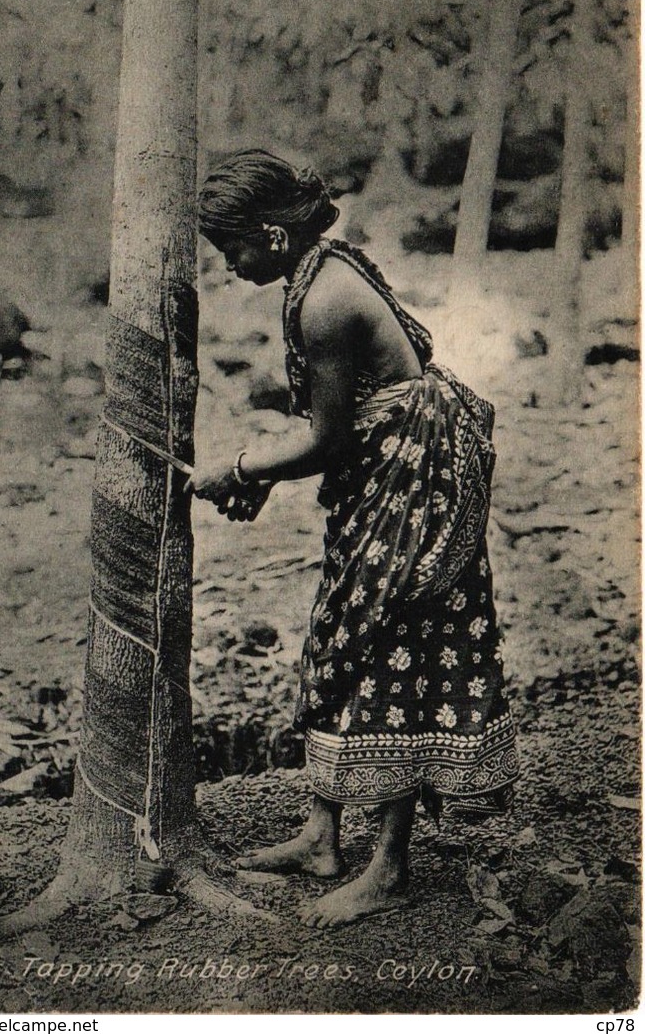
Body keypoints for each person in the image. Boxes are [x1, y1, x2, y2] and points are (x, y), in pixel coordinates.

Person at [187, 149, 519, 928]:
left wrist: (238, 467)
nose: (229, 266)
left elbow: (329, 440)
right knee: (341, 630)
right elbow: (334, 430)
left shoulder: (325, 301)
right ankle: (321, 835)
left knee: (391, 645)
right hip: (387, 476)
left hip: (414, 484)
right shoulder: (317, 270)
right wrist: (263, 475)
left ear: (271, 235)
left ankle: (389, 862)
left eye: (231, 248)